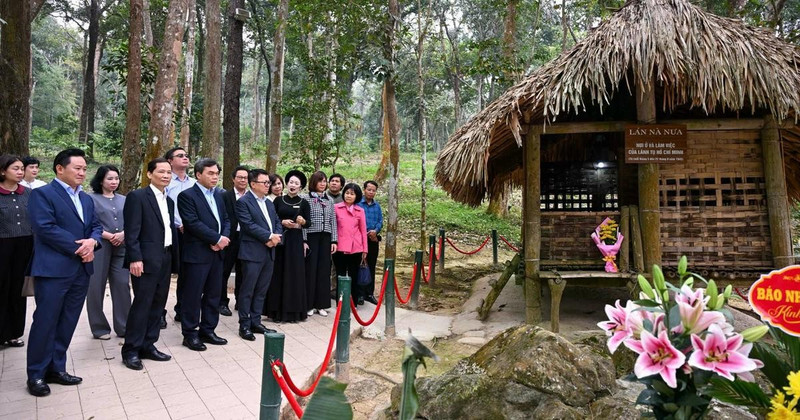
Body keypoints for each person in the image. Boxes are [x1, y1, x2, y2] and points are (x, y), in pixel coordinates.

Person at [26, 148, 103, 397]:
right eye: (77, 168)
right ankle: (36, 374)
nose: (82, 172)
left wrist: (93, 242)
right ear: (60, 168)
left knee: (68, 321)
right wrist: (80, 248)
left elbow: (96, 227)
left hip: (81, 271)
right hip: (54, 270)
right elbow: (45, 228)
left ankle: (56, 368)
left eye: (84, 168)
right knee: (46, 322)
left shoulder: (86, 198)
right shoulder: (42, 194)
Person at [120, 158, 179, 370]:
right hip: (144, 260)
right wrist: (135, 258)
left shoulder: (169, 200)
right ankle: (131, 350)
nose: (165, 175)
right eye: (161, 172)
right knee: (142, 304)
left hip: (165, 257)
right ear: (149, 174)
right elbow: (132, 231)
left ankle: (149, 344)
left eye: (168, 172)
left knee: (158, 304)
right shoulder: (138, 197)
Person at [177, 159, 231, 351]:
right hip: (197, 253)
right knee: (192, 295)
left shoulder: (219, 195)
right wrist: (216, 239)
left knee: (213, 294)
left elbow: (226, 219)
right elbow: (192, 223)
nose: (215, 177)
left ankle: (208, 329)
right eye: (210, 173)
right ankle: (190, 333)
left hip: (217, 254)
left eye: (217, 173)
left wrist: (223, 238)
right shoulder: (187, 196)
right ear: (198, 174)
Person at [235, 169, 282, 340]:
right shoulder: (243, 202)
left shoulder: (269, 203)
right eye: (265, 183)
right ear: (253, 184)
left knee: (261, 290)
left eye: (269, 182)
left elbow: (276, 222)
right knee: (248, 290)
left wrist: (276, 238)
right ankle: (244, 325)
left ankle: (256, 321)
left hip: (269, 252)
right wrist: (269, 237)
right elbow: (248, 225)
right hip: (252, 252)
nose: (268, 185)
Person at [86, 165, 131, 340]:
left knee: (122, 284)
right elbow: (88, 222)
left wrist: (123, 234)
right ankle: (99, 328)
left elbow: (132, 220)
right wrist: (107, 235)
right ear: (100, 180)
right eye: (109, 179)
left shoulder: (124, 199)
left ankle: (124, 326)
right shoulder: (90, 199)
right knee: (95, 286)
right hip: (99, 245)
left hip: (122, 245)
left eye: (116, 178)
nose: (114, 182)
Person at [265, 170, 310, 323]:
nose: (293, 185)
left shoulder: (304, 203)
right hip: (281, 240)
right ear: (287, 184)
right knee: (278, 273)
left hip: (295, 242)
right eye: (291, 182)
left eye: (296, 183)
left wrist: (302, 221)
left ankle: (294, 312)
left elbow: (308, 223)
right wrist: (282, 222)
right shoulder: (278, 201)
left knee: (294, 274)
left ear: (301, 187)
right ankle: (275, 311)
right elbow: (272, 219)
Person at [0, 155, 33, 349]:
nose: (20, 172)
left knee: (18, 289)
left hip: (25, 245)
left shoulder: (28, 193)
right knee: (2, 288)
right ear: (3, 171)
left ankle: (14, 333)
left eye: (22, 168)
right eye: (15, 168)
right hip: (3, 245)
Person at [165, 146, 195, 325]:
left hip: (190, 234)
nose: (185, 158)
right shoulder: (167, 182)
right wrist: (178, 224)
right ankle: (159, 311)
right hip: (171, 232)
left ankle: (182, 308)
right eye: (180, 156)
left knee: (187, 272)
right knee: (165, 272)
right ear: (170, 161)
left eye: (186, 155)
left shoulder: (193, 183)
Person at [303, 171, 337, 317]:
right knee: (311, 270)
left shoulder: (329, 200)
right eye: (320, 181)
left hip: (326, 237)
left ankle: (321, 304)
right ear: (314, 182)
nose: (323, 184)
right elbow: (302, 221)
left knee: (324, 271)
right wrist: (304, 240)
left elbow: (333, 221)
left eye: (325, 181)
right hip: (311, 236)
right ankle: (309, 304)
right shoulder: (306, 199)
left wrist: (334, 240)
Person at [219, 166, 249, 317]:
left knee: (243, 271)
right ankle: (222, 302)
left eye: (245, 177)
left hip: (246, 239)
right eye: (240, 177)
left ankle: (240, 301)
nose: (243, 180)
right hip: (229, 238)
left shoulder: (252, 197)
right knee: (224, 271)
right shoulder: (225, 196)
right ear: (233, 179)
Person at [333, 183, 368, 304]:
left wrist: (365, 249)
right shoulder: (336, 208)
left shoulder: (360, 210)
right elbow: (333, 227)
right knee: (340, 275)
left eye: (352, 194)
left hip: (356, 247)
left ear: (357, 196)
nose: (349, 196)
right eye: (347, 193)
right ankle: (341, 302)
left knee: (354, 274)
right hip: (340, 247)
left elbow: (363, 230)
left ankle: (353, 301)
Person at [358, 180, 383, 305]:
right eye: (369, 190)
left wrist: (375, 230)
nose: (371, 192)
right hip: (360, 240)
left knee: (372, 266)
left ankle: (369, 293)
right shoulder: (358, 204)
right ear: (364, 190)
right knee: (361, 265)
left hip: (373, 239)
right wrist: (365, 232)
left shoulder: (377, 206)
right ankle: (360, 294)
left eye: (373, 190)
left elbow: (380, 221)